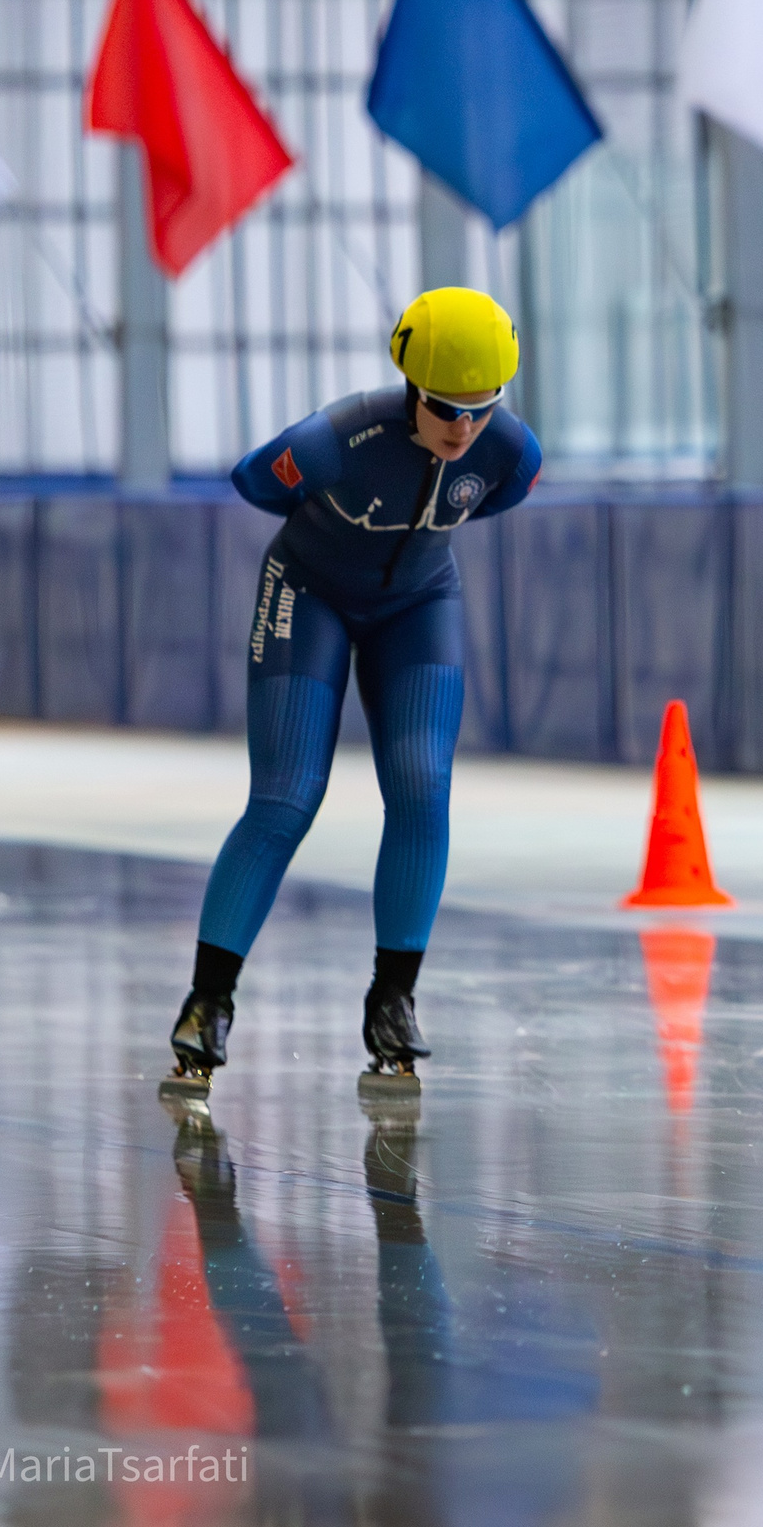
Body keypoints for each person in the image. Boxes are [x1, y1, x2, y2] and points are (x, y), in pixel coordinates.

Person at [164, 289, 541, 1093]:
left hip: (419, 603)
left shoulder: (510, 451)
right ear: (410, 386)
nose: (464, 428)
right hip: (311, 594)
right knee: (286, 798)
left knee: (421, 789)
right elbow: (252, 480)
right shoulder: (336, 440)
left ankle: (394, 999)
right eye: (445, 407)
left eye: (483, 408)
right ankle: (209, 1000)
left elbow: (505, 486)